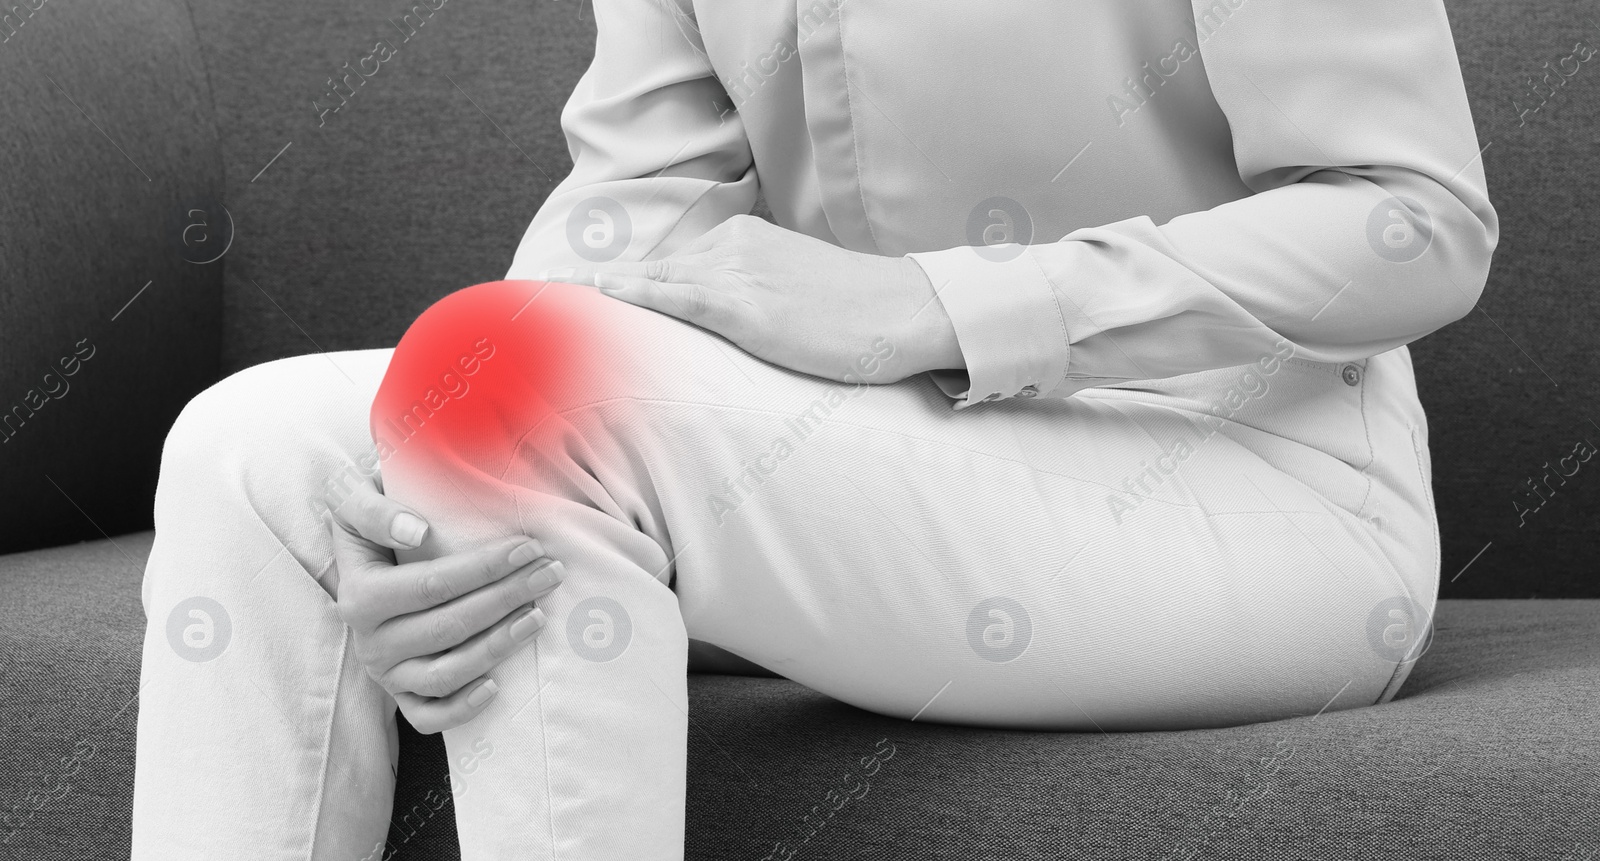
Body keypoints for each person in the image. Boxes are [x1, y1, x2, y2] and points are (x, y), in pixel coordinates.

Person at [131, 0, 1497, 858]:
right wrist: (427, 514)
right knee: (257, 454)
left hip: (1243, 482)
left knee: (523, 387)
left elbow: (1414, 220)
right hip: (857, 454)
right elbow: (635, 205)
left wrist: (935, 305)